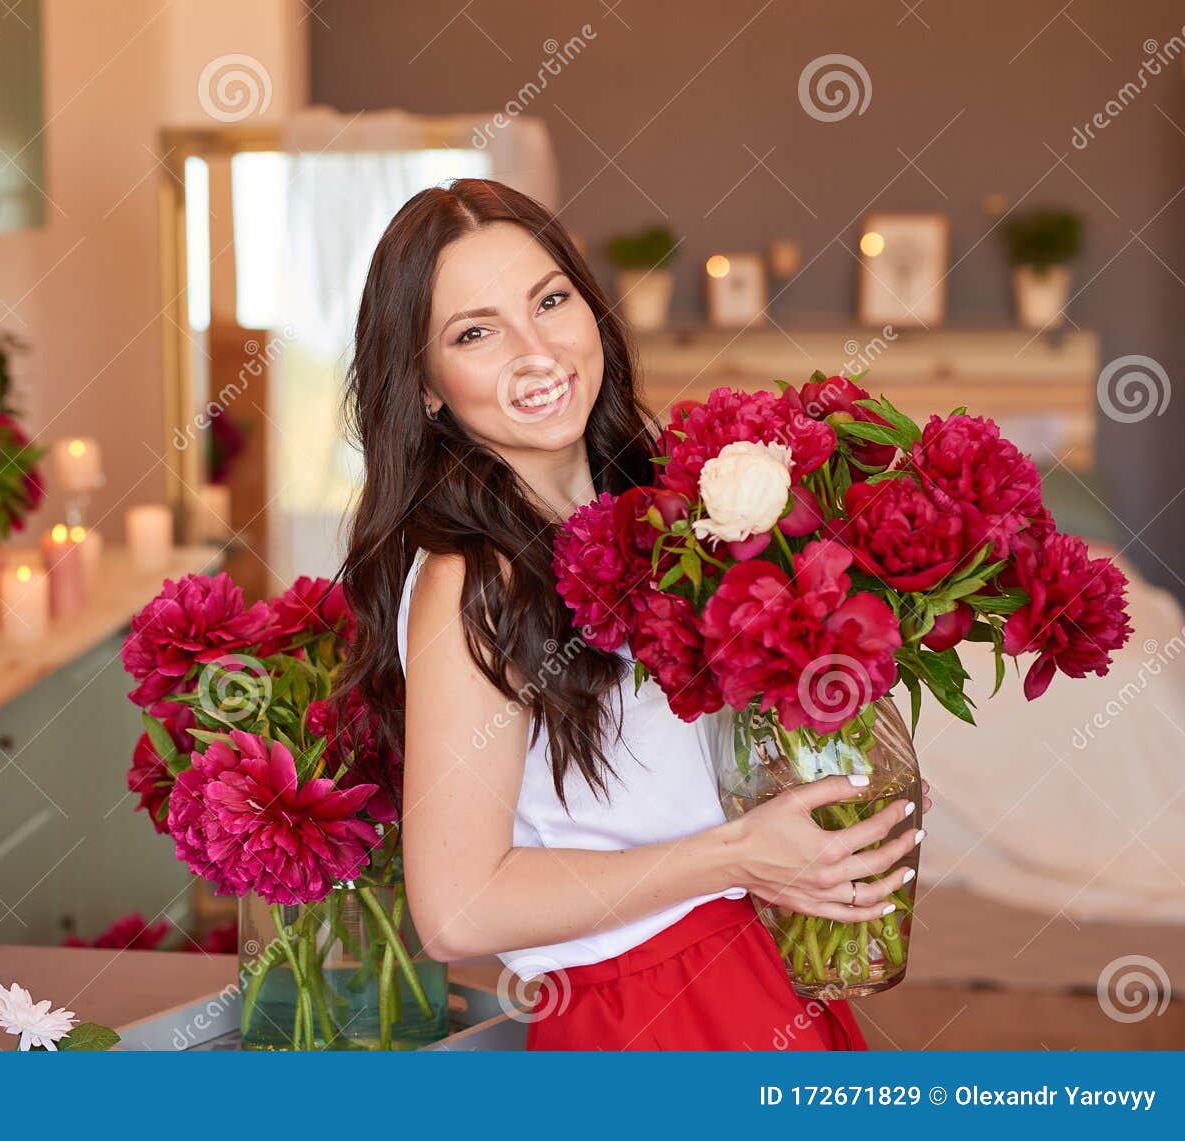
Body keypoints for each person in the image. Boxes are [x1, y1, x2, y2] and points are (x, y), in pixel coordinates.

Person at [333, 177, 930, 1050]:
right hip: (649, 1017)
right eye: (475, 332)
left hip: (757, 967)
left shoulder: (657, 513)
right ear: (425, 384)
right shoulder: (472, 581)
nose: (536, 351)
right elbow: (458, 908)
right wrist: (735, 856)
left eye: (550, 300)